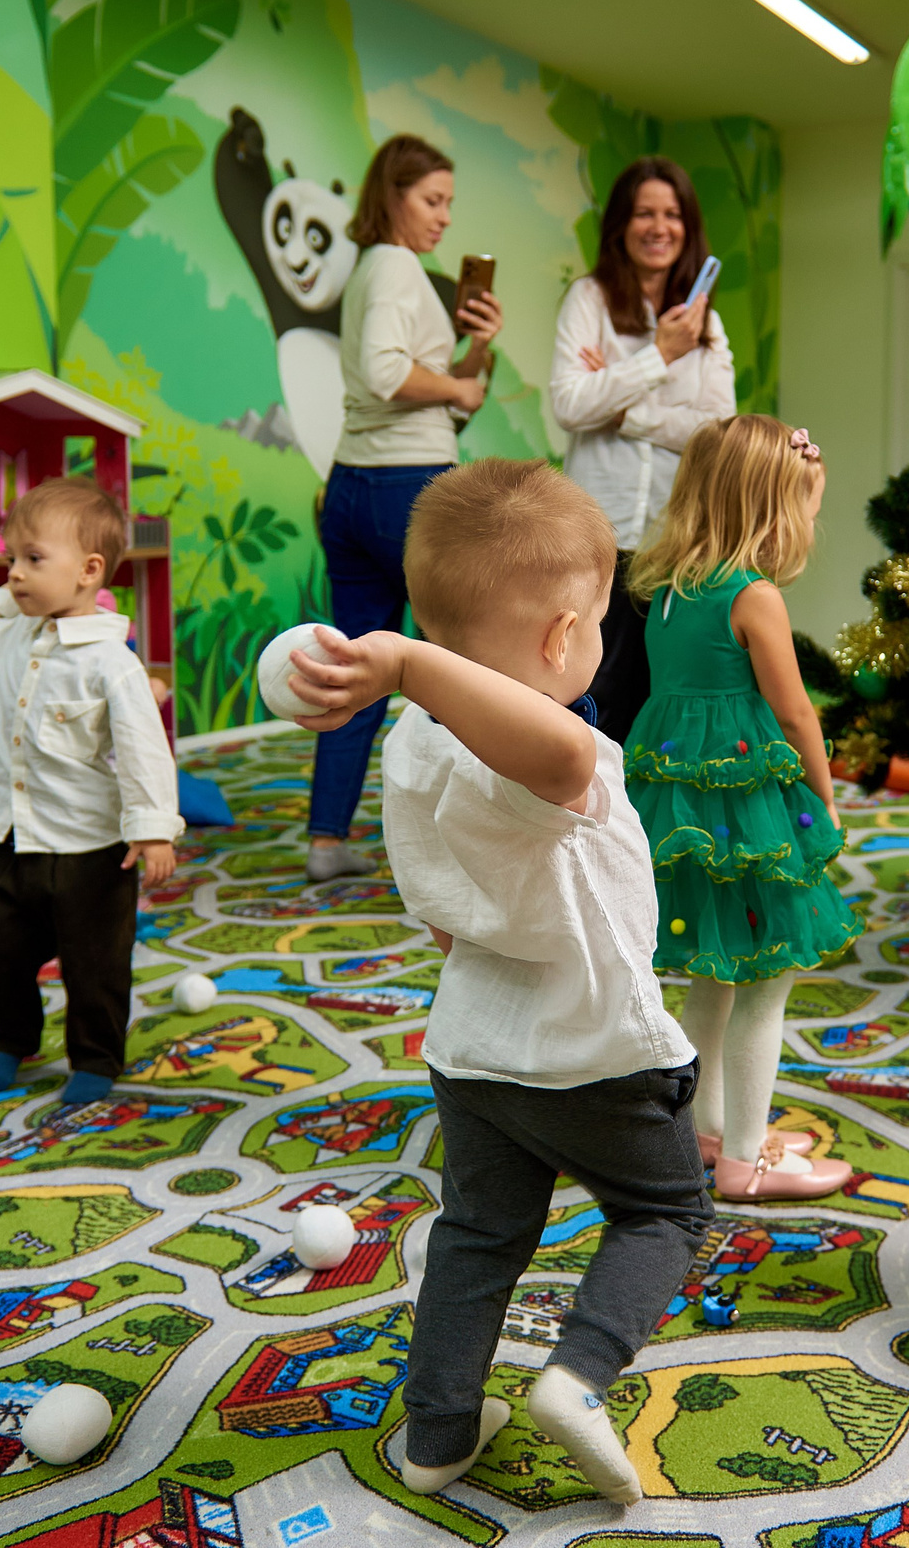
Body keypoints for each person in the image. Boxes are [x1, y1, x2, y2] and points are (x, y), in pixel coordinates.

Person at [282, 459, 708, 1508]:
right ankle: (576, 1376)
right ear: (563, 636)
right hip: (597, 1048)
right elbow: (559, 751)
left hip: (473, 1048)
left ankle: (437, 1430)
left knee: (478, 1233)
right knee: (665, 1209)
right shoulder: (557, 757)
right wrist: (414, 662)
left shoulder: (414, 746)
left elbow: (435, 907)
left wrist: (409, 677)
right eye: (601, 623)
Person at [625, 416, 860, 1200]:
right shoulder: (753, 596)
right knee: (766, 983)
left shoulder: (666, 588)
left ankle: (705, 1130)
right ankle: (747, 1160)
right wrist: (823, 798)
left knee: (714, 974)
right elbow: (796, 715)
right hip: (748, 809)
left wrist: (806, 487)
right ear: (773, 504)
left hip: (682, 809)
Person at [0, 476, 180, 1107]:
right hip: (6, 827)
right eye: (11, 559)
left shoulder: (112, 661)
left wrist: (153, 827)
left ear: (89, 571)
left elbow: (141, 746)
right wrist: (5, 592)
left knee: (94, 962)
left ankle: (96, 1057)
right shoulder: (5, 633)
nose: (15, 574)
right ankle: (13, 1039)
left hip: (88, 840)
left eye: (32, 559)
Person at [306, 134, 502, 884]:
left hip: (354, 483)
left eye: (449, 202)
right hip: (409, 490)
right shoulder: (393, 264)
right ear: (391, 194)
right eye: (432, 200)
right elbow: (394, 376)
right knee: (452, 671)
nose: (445, 217)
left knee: (351, 668)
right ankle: (455, 847)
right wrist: (457, 386)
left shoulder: (371, 271)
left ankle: (328, 841)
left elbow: (439, 387)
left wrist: (475, 349)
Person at [548, 157, 736, 743]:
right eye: (644, 213)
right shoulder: (590, 299)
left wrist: (624, 405)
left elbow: (715, 434)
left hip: (671, 535)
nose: (659, 227)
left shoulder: (707, 324)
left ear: (689, 227)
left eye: (672, 214)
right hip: (598, 531)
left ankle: (639, 826)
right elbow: (571, 405)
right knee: (591, 690)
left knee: (659, 694)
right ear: (620, 226)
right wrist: (657, 355)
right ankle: (576, 818)